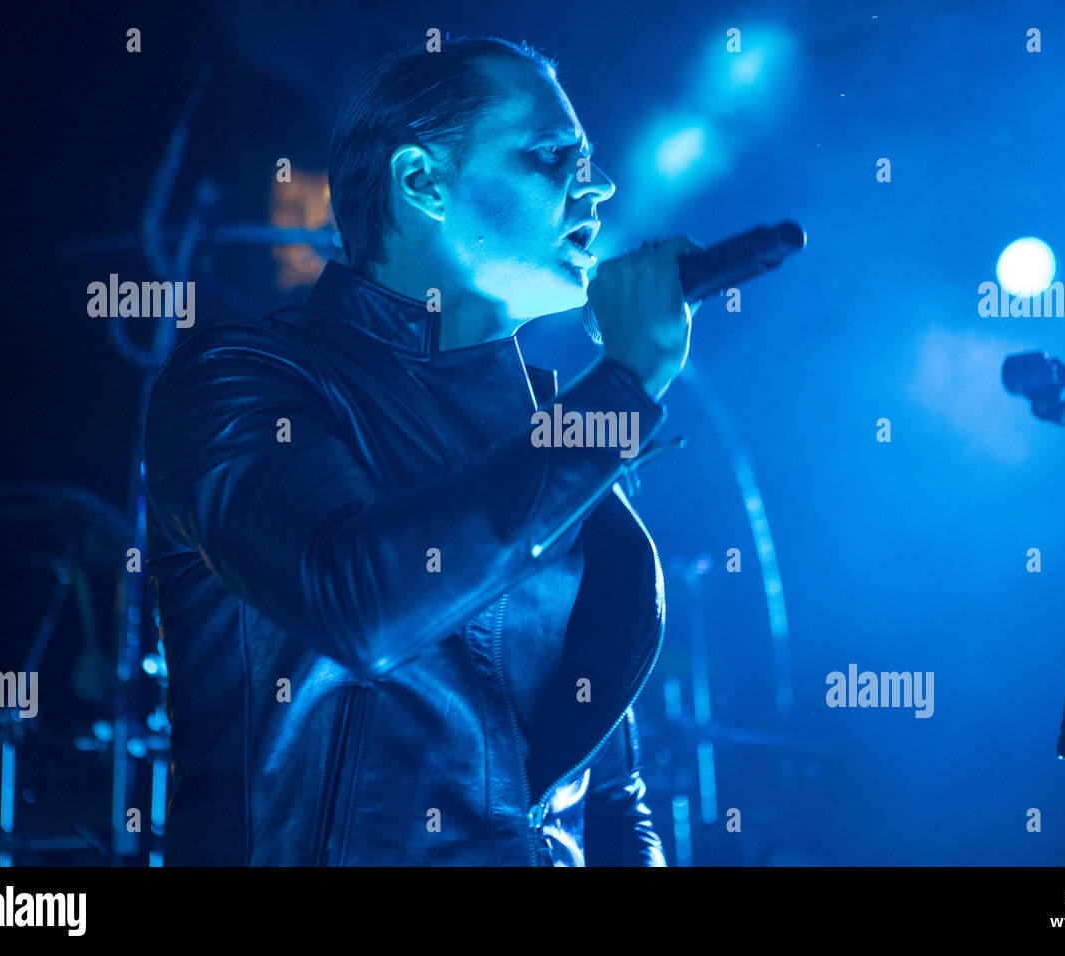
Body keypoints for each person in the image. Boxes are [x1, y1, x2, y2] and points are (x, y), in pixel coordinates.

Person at [143, 35, 695, 866]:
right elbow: (355, 602)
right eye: (554, 155)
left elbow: (607, 791)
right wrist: (618, 391)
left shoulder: (555, 435)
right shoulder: (243, 379)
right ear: (421, 181)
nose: (601, 184)